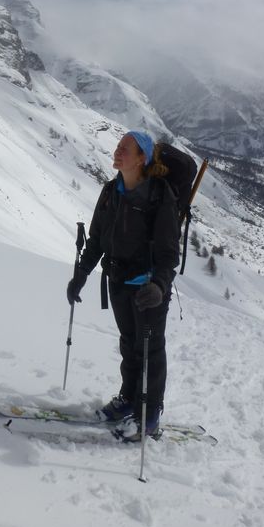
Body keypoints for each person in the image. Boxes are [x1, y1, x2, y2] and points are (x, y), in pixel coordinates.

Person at [66, 130, 180, 442]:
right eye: (117, 147)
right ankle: (128, 399)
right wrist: (81, 274)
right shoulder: (110, 191)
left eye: (125, 149)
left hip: (148, 289)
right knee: (129, 344)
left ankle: (149, 415)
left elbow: (169, 254)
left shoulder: (159, 196)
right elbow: (97, 240)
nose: (117, 152)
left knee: (150, 350)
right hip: (117, 281)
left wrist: (159, 286)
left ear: (142, 158)